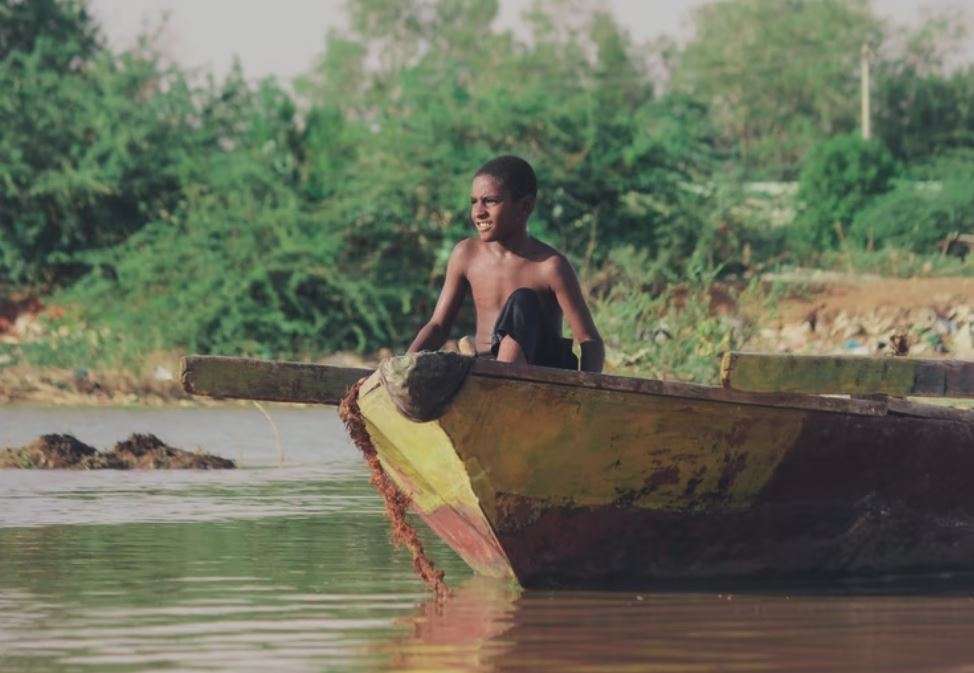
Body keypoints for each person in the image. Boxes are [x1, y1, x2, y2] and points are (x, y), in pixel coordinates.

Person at [408, 155, 604, 372]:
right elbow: (437, 327)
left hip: (539, 373)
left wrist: (587, 387)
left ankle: (504, 379)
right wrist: (402, 366)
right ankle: (499, 378)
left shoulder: (550, 266)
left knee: (523, 300)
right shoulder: (466, 254)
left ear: (525, 206)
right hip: (486, 371)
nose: (478, 212)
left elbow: (589, 340)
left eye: (490, 201)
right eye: (474, 202)